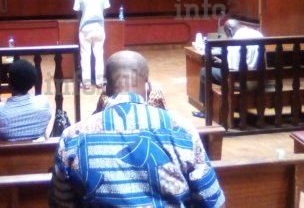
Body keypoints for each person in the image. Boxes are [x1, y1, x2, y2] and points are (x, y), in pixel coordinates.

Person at [50, 50, 225, 207]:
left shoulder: (72, 136)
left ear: (105, 88)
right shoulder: (183, 130)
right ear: (148, 87)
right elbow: (213, 201)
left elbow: (61, 202)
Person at [196, 19, 264, 112]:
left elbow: (232, 69)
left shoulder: (234, 41)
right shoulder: (258, 34)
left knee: (204, 71)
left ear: (229, 30)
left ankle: (206, 110)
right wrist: (224, 62)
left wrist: (223, 63)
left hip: (242, 81)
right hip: (259, 78)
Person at [0, 59, 51, 141]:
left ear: (9, 83)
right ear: (32, 84)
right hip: (38, 149)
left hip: (6, 149)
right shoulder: (43, 103)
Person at [73, 0, 110, 88]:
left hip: (85, 27)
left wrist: (82, 20)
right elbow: (106, 9)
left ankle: (86, 83)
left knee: (85, 55)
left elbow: (76, 11)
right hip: (99, 27)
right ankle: (99, 82)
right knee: (99, 54)